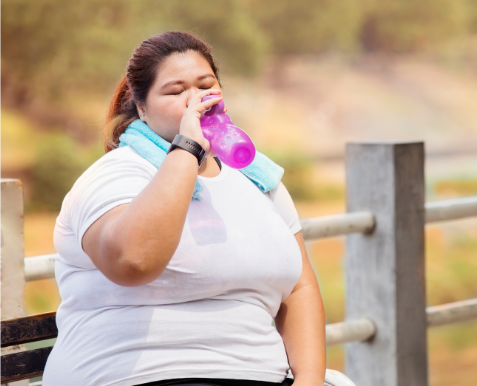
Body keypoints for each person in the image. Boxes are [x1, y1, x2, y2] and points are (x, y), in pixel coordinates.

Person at [42, 31, 326, 386]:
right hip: (139, 376)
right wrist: (188, 146)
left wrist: (310, 379)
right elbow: (133, 262)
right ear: (141, 106)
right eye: (176, 92)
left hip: (258, 374)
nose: (196, 101)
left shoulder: (257, 179)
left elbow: (300, 288)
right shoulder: (115, 176)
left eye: (206, 86)